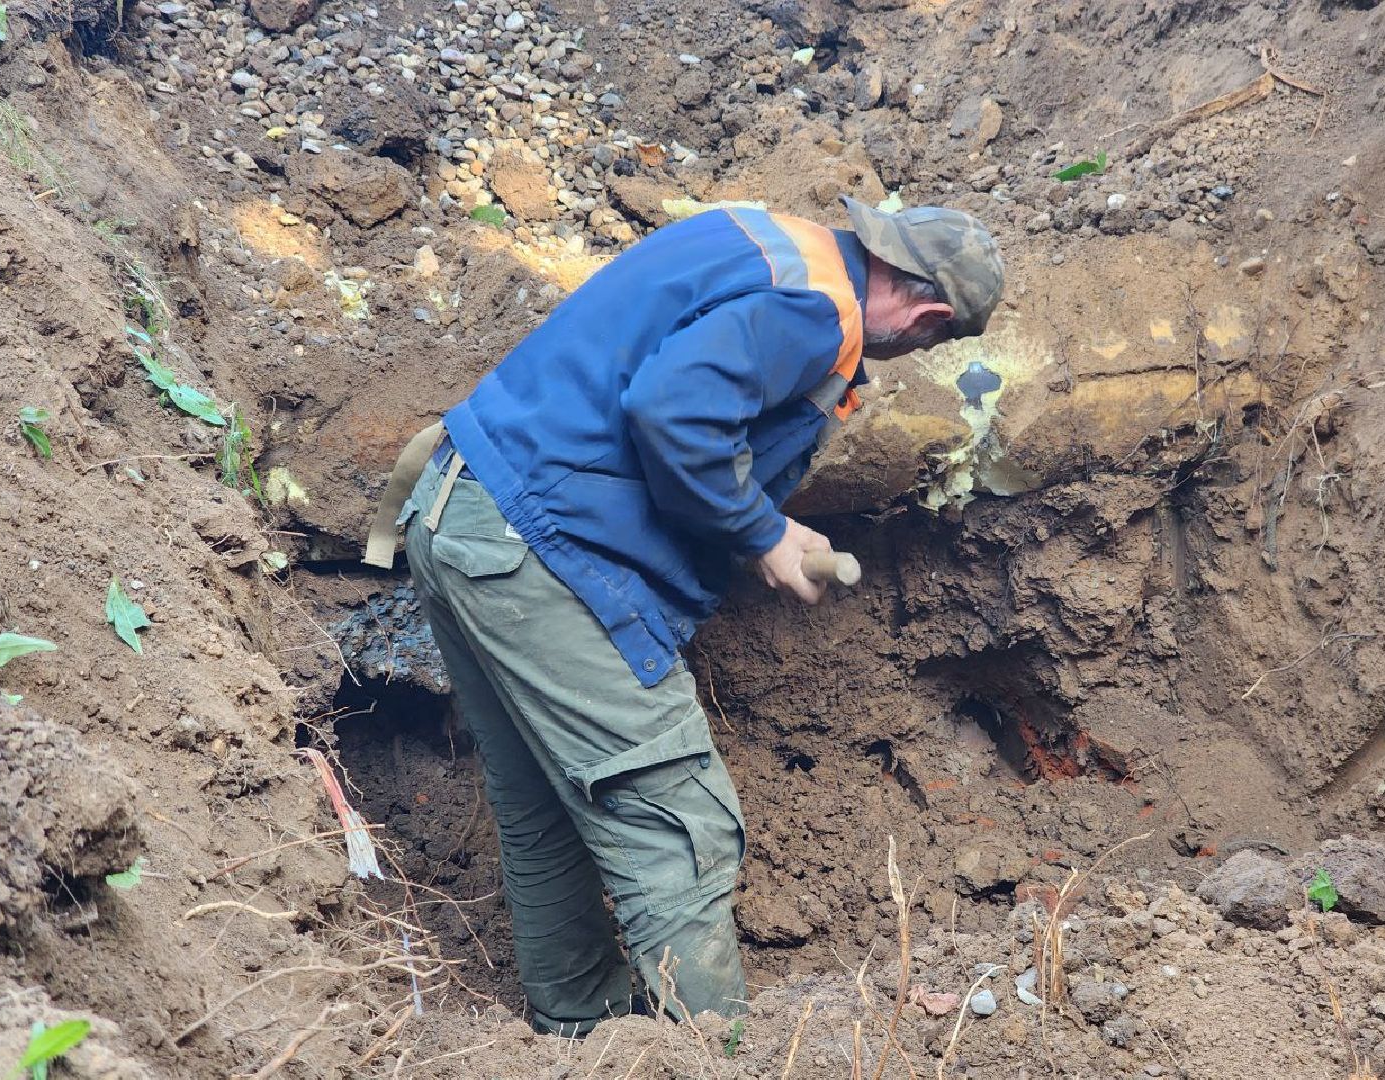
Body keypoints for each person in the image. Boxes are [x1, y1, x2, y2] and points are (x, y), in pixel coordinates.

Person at [363, 195, 1003, 1035]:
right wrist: (763, 531)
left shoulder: (762, 237)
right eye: (926, 342)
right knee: (682, 823)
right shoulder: (817, 313)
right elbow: (672, 409)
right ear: (928, 315)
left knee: (540, 806)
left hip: (458, 514)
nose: (905, 354)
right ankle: (713, 1056)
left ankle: (582, 1031)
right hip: (538, 549)